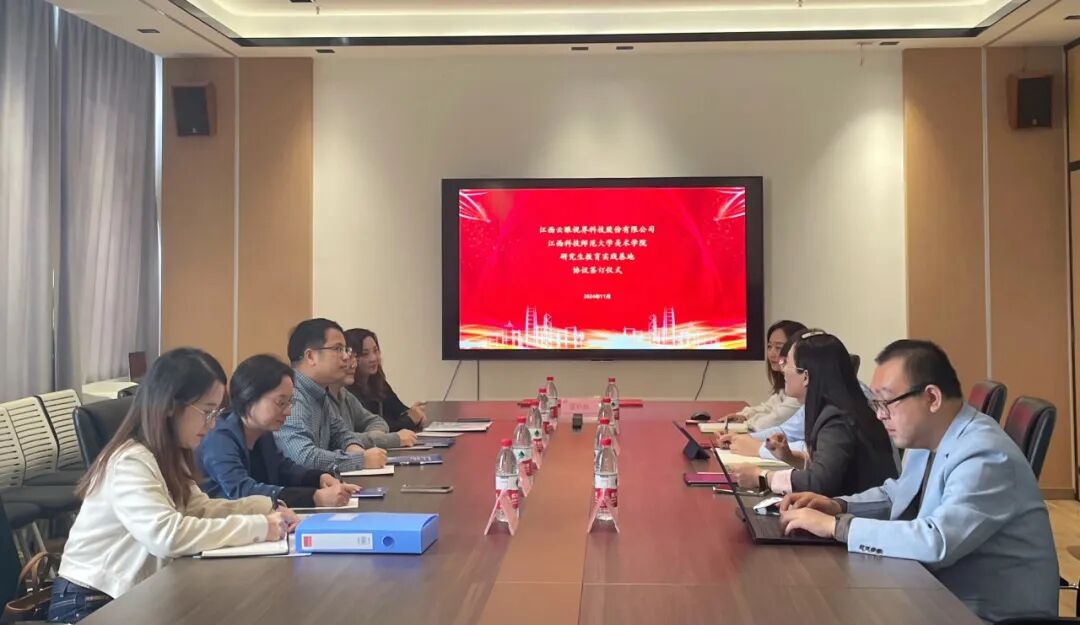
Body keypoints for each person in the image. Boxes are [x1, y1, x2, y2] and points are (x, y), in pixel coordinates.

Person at [779, 340, 1058, 624]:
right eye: (876, 403)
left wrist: (838, 527)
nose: (880, 414)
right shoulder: (929, 437)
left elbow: (937, 541)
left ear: (932, 398)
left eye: (887, 403)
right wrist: (838, 505)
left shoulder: (985, 453)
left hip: (984, 616)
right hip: (936, 596)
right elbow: (897, 493)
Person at [48, 348, 296, 623]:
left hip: (134, 596)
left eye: (216, 412)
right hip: (89, 604)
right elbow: (167, 536)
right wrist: (260, 527)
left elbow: (198, 509)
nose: (212, 424)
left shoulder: (167, 454)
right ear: (170, 405)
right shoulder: (130, 461)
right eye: (207, 411)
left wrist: (265, 508)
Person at [727, 331, 897, 497]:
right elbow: (831, 468)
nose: (783, 369)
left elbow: (820, 482)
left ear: (806, 376)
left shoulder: (836, 418)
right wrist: (789, 457)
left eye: (787, 363)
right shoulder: (835, 405)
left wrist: (763, 477)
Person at [198, 354, 361, 508]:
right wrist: (315, 497)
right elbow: (243, 492)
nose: (288, 411)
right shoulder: (219, 437)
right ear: (249, 396)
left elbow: (284, 469)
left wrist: (319, 478)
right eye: (280, 402)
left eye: (290, 402)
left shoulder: (263, 432)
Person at [274, 319, 388, 472]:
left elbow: (341, 434)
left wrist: (356, 450)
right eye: (338, 349)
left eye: (345, 349)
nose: (346, 357)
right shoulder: (292, 395)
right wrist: (360, 460)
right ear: (310, 356)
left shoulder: (319, 392)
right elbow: (303, 457)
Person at [719, 320, 807, 432]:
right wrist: (744, 415)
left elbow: (771, 421)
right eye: (769, 346)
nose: (771, 353)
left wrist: (747, 422)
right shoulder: (785, 385)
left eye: (779, 348)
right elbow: (769, 407)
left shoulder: (801, 389)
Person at [330, 349, 418, 448]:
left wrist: (375, 438)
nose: (353, 364)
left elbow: (377, 421)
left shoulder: (344, 394)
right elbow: (337, 439)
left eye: (351, 355)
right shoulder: (321, 399)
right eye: (365, 354)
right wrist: (385, 439)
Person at [345, 328, 427, 432]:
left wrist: (415, 412)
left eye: (375, 351)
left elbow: (399, 409)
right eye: (365, 354)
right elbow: (374, 429)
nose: (374, 358)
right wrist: (410, 420)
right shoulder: (348, 391)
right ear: (350, 357)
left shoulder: (377, 381)